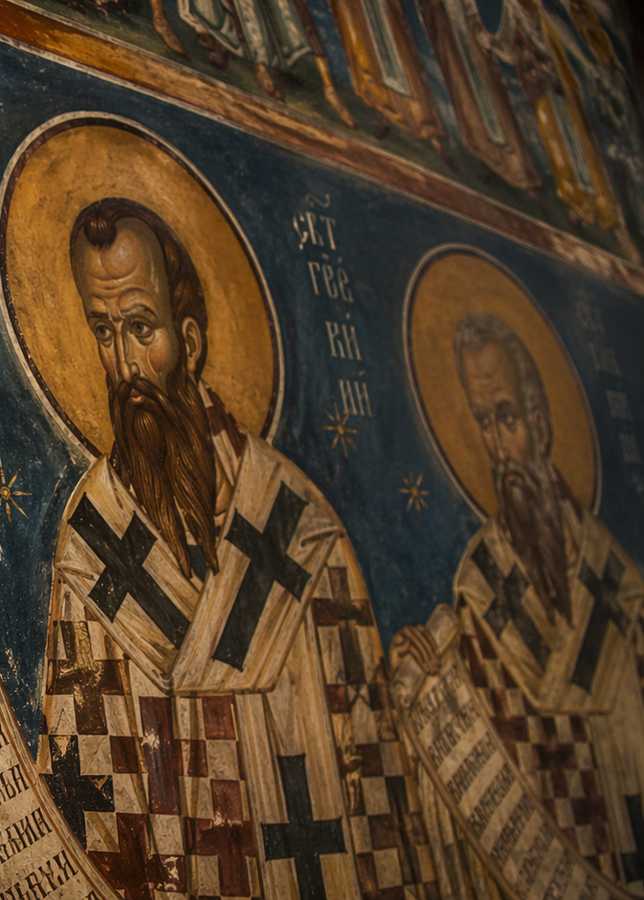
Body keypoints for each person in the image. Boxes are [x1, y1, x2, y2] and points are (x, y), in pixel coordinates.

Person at [36, 198, 437, 900]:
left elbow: (374, 778)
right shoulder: (93, 540)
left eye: (141, 328)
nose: (126, 365)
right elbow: (84, 790)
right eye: (104, 332)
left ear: (188, 341)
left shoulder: (295, 524)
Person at [393, 313, 644, 896]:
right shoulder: (482, 581)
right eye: (484, 424)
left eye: (508, 419)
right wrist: (429, 675)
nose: (500, 448)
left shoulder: (617, 577)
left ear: (540, 423)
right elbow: (485, 727)